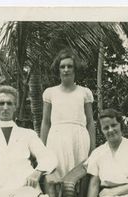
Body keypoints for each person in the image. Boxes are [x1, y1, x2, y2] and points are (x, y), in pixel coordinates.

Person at [40, 48, 96, 180]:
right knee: (55, 177)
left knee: (78, 178)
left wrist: (93, 149)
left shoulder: (84, 92)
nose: (66, 70)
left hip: (79, 138)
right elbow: (46, 122)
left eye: (69, 66)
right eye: (62, 67)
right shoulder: (50, 93)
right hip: (56, 139)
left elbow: (90, 122)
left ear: (75, 69)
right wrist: (42, 150)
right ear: (58, 70)